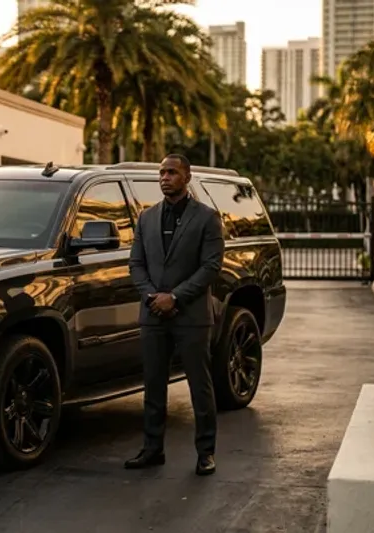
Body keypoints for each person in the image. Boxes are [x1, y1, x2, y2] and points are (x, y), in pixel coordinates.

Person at [125, 154, 225, 475]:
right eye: (162, 172)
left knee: (200, 387)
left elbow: (211, 266)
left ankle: (206, 453)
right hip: (153, 314)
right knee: (154, 387)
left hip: (191, 316)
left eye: (172, 172)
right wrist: (152, 296)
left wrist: (176, 297)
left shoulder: (207, 218)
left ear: (187, 176)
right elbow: (136, 264)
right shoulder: (146, 218)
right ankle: (152, 449)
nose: (165, 177)